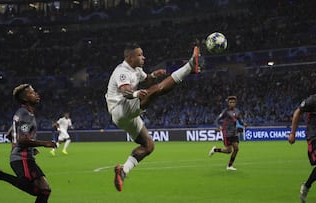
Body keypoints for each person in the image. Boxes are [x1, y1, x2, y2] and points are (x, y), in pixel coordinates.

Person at [105, 42, 202, 191]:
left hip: (126, 117)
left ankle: (123, 170)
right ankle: (189, 66)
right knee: (156, 91)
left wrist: (153, 75)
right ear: (130, 58)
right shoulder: (121, 71)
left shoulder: (136, 69)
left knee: (148, 146)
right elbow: (125, 90)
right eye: (139, 55)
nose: (143, 57)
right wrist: (137, 93)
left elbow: (146, 78)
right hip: (119, 108)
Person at [0, 84, 57, 203]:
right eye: (31, 93)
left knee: (44, 190)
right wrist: (44, 144)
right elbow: (21, 139)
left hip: (22, 157)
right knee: (41, 190)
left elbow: (10, 134)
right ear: (25, 99)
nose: (36, 94)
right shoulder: (25, 114)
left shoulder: (22, 113)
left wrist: (30, 147)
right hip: (22, 158)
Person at [288, 94, 316, 203]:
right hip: (313, 136)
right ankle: (307, 186)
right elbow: (297, 112)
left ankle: (306, 185)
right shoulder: (312, 99)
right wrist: (292, 133)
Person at [209, 96, 247, 171]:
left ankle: (229, 166)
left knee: (236, 149)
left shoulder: (237, 111)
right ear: (228, 103)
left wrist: (243, 124)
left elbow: (239, 120)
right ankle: (215, 150)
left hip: (234, 132)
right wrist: (218, 127)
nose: (232, 104)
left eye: (233, 102)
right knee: (228, 151)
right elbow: (216, 120)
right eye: (230, 102)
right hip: (226, 133)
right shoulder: (225, 111)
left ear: (235, 103)